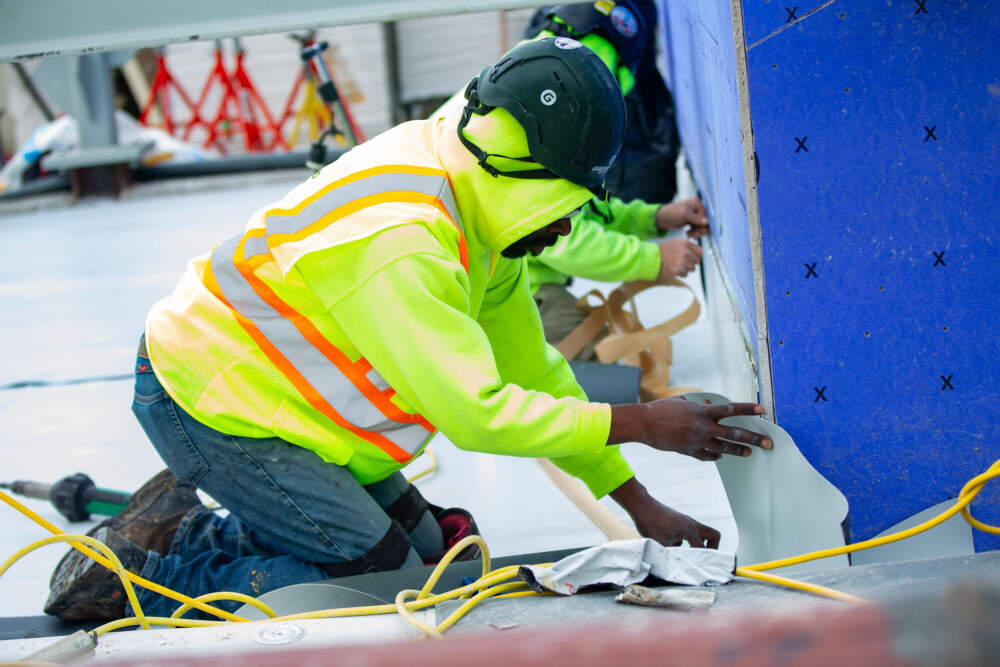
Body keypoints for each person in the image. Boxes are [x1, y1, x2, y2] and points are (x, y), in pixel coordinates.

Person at [45, 38, 771, 623]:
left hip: (278, 403)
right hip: (209, 398)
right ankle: (162, 556)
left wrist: (637, 502)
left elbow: (530, 370)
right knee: (374, 583)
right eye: (565, 201)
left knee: (439, 554)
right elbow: (478, 412)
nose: (565, 225)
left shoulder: (478, 207)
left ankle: (235, 524)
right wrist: (643, 421)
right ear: (524, 175)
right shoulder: (405, 240)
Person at [521, 1, 706, 358]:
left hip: (531, 288)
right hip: (521, 298)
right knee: (613, 376)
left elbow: (582, 213)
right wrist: (654, 259)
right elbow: (568, 243)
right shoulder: (537, 135)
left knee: (622, 367)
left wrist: (655, 217)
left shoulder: (543, 113)